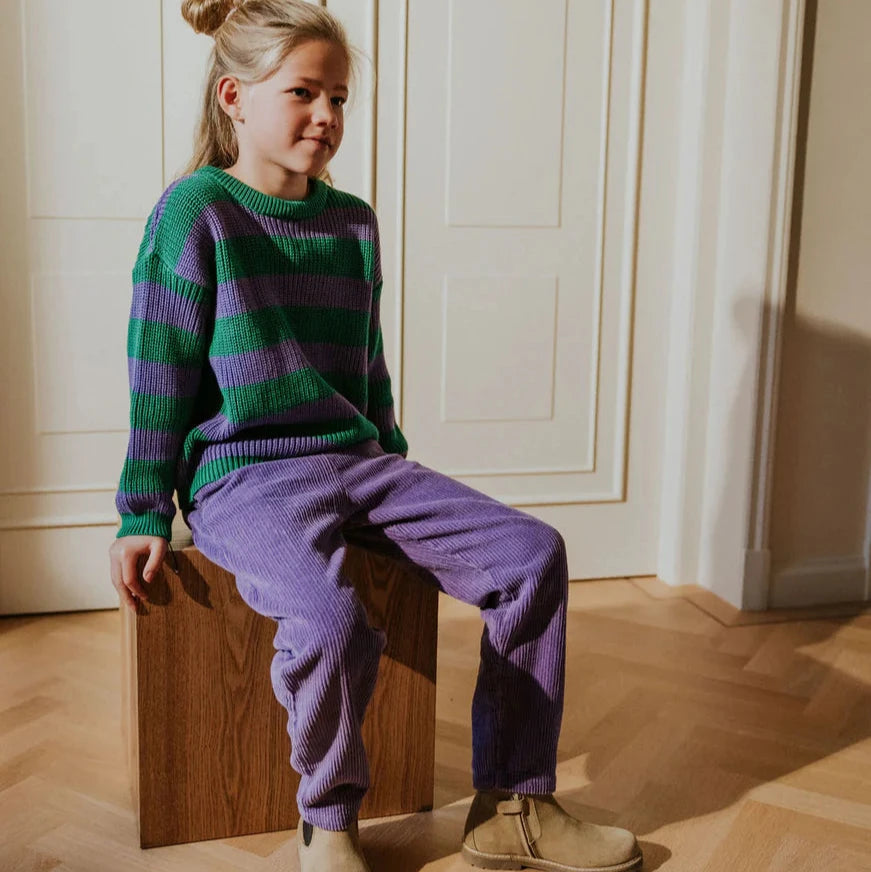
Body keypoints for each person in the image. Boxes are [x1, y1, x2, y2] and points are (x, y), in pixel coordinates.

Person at [107, 2, 643, 870]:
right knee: (330, 617)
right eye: (304, 93)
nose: (326, 116)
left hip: (359, 462)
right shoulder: (195, 210)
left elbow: (366, 364)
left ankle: (512, 806)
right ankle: (327, 822)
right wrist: (140, 510)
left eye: (340, 97)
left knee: (531, 554)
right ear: (235, 97)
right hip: (243, 481)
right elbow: (157, 365)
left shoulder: (351, 220)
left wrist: (396, 471)